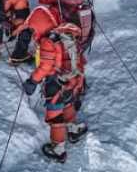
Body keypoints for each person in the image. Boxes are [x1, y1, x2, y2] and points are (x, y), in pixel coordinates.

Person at [21, 22, 88, 163]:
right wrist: (78, 84)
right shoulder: (72, 42)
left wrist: (32, 81)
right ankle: (73, 129)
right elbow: (81, 63)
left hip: (54, 84)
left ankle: (58, 149)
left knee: (55, 115)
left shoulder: (48, 41)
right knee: (68, 104)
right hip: (72, 81)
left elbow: (45, 66)